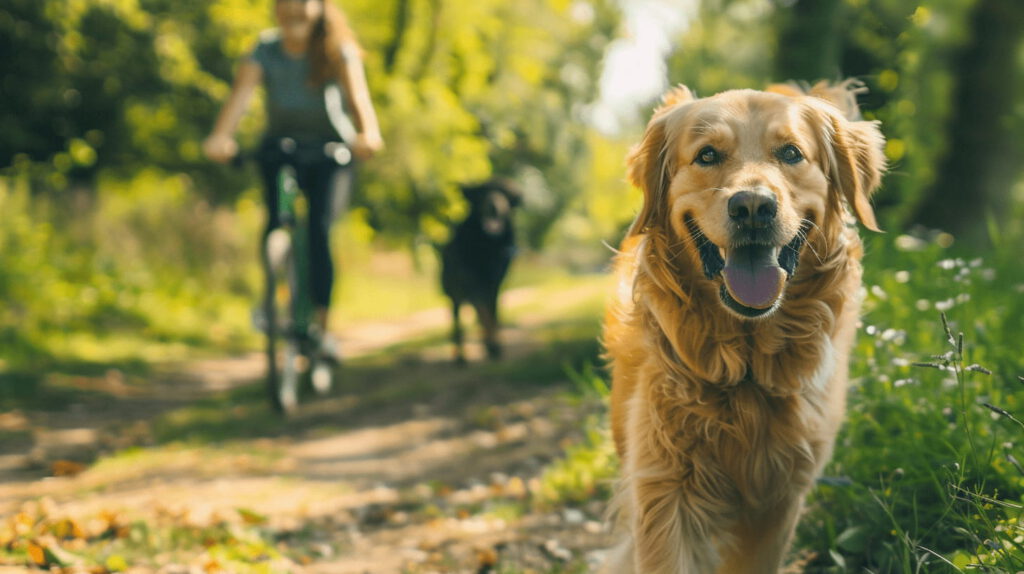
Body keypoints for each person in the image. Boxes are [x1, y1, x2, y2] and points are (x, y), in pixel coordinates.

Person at [203, 0, 383, 358]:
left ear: (320, 7)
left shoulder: (335, 48)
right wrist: (222, 136)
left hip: (330, 151)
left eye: (302, 1)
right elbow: (241, 95)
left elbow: (358, 97)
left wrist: (368, 134)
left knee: (318, 230)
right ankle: (272, 298)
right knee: (275, 222)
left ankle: (321, 325)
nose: (293, 8)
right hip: (281, 147)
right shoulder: (265, 49)